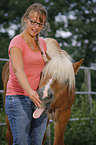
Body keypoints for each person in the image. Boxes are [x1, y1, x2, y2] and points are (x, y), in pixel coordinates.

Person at [5, 3, 49, 145]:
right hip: (18, 98)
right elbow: (18, 70)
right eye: (33, 22)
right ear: (25, 19)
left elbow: (48, 69)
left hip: (39, 101)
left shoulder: (42, 44)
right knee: (21, 143)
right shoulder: (16, 42)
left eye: (40, 24)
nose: (36, 27)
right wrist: (30, 92)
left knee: (37, 142)